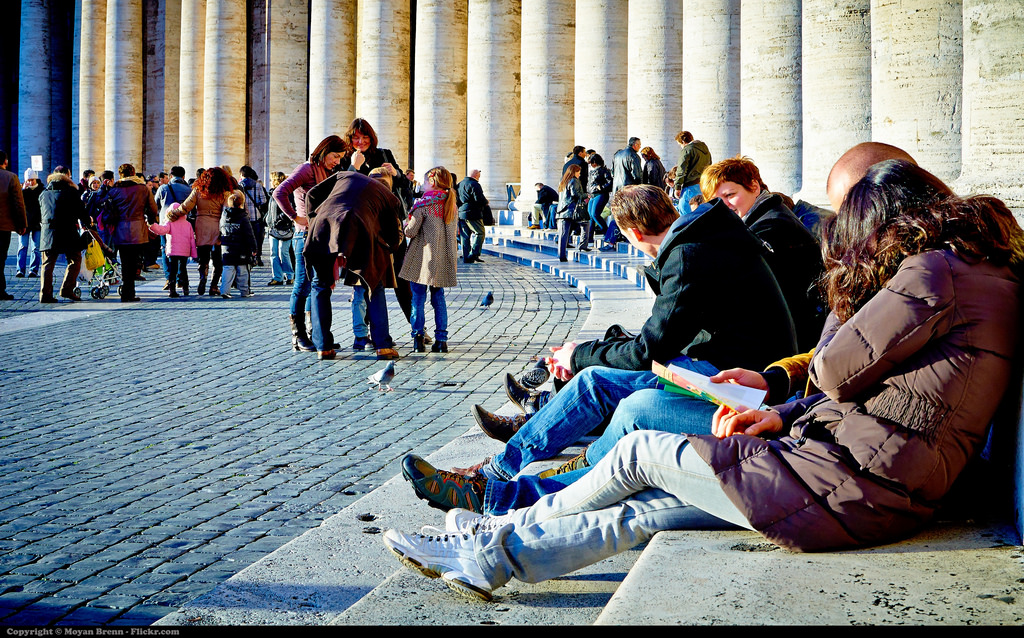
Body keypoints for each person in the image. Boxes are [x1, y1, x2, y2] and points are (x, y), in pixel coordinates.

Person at [382, 158, 1024, 602]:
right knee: (645, 512)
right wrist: (780, 412)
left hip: (848, 489)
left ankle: (492, 522)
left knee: (637, 449)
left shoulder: (934, 274)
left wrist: (847, 297)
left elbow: (834, 366)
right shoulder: (976, 273)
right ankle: (489, 557)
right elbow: (887, 399)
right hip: (863, 484)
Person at [401, 185, 798, 514]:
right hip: (728, 373)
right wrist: (591, 351)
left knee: (623, 402)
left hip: (745, 396)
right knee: (596, 380)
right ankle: (500, 469)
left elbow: (651, 348)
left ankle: (501, 492)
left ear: (632, 233)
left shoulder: (690, 254)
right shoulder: (702, 241)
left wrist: (579, 354)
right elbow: (662, 338)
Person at [700, 156, 826, 351]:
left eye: (730, 195)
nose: (724, 206)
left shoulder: (771, 226)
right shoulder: (767, 216)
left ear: (754, 186)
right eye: (716, 201)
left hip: (790, 343)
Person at [302, 170, 405, 361]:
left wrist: (312, 219)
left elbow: (311, 195)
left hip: (324, 226)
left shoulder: (345, 175)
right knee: (373, 286)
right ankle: (382, 346)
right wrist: (388, 249)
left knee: (320, 285)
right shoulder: (390, 198)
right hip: (360, 230)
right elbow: (393, 238)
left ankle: (323, 347)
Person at [273, 135, 346, 352]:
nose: (337, 161)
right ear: (324, 151)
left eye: (340, 157)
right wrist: (296, 217)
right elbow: (280, 192)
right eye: (335, 156)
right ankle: (298, 335)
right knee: (303, 285)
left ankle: (319, 334)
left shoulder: (329, 172)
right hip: (304, 235)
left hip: (323, 236)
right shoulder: (307, 169)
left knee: (320, 287)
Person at [340, 118, 415, 327]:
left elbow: (404, 185)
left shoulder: (383, 154)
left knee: (402, 276)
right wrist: (354, 166)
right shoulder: (346, 158)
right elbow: (341, 188)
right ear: (350, 139)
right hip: (363, 226)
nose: (361, 141)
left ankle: (416, 326)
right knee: (367, 279)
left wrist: (396, 173)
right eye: (356, 138)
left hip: (391, 223)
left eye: (365, 137)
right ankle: (368, 332)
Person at [399, 166, 459, 354]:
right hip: (443, 259)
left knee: (417, 298)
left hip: (422, 260)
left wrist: (404, 224)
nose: (423, 185)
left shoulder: (424, 204)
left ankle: (417, 339)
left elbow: (410, 231)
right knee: (438, 299)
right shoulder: (451, 204)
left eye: (425, 181)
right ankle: (441, 340)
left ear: (432, 182)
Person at [106, 163, 159, 302]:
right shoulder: (143, 188)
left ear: (120, 175)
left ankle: (126, 292)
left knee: (125, 261)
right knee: (135, 261)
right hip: (138, 229)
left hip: (120, 229)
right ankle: (130, 292)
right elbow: (153, 209)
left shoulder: (115, 190)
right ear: (134, 173)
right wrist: (151, 221)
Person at [181, 166, 235, 299]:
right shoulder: (225, 193)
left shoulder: (198, 190)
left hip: (202, 224)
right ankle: (214, 286)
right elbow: (228, 212)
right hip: (217, 225)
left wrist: (173, 214)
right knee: (217, 259)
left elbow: (186, 206)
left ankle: (202, 277)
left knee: (203, 257)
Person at [37, 166, 88, 303]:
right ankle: (66, 289)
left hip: (48, 232)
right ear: (67, 175)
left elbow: (39, 214)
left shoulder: (44, 193)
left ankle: (45, 294)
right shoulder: (71, 191)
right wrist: (88, 223)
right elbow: (81, 212)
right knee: (75, 259)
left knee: (47, 264)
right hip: (68, 231)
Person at [155, 166, 193, 292]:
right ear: (183, 177)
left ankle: (168, 278)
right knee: (182, 253)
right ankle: (181, 279)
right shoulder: (188, 189)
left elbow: (155, 206)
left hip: (166, 224)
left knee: (166, 250)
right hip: (183, 224)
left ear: (171, 176)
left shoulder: (163, 188)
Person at [147, 202, 197, 297]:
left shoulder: (169, 223)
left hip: (173, 251)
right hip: (184, 251)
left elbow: (161, 230)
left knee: (173, 270)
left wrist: (152, 225)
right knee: (183, 269)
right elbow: (192, 239)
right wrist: (193, 253)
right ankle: (185, 288)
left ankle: (172, 290)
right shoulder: (188, 224)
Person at [219, 192, 258, 299]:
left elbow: (221, 230)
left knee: (228, 269)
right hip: (241, 249)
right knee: (243, 271)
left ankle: (224, 290)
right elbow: (249, 235)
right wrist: (254, 248)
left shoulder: (224, 216)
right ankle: (245, 291)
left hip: (227, 248)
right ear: (242, 204)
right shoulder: (243, 217)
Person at [0, 151, 27, 301]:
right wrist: (22, 225)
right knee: (0, 258)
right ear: (5, 162)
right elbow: (18, 204)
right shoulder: (11, 177)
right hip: (3, 227)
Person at [265, 171, 295, 286]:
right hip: (273, 227)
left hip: (284, 227)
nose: (271, 182)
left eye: (272, 180)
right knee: (273, 253)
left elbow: (289, 208)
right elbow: (270, 209)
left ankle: (290, 275)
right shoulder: (272, 193)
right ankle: (277, 277)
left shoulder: (287, 193)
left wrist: (278, 219)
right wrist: (267, 218)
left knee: (284, 252)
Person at [673, 131, 712, 212]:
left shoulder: (687, 149)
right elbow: (710, 165)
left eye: (680, 144)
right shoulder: (705, 149)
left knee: (685, 213)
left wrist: (677, 186)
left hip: (690, 186)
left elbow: (681, 169)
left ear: (683, 142)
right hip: (702, 185)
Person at [239, 165, 269, 267]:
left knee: (246, 239)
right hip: (257, 217)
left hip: (244, 218)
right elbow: (264, 201)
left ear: (242, 174)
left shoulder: (239, 186)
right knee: (258, 239)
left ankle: (248, 257)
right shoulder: (258, 186)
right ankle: (258, 257)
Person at [581, 154, 612, 252]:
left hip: (601, 194)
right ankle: (589, 238)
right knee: (590, 216)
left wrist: (601, 187)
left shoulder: (604, 170)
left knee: (595, 214)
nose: (591, 165)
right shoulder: (591, 171)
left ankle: (607, 233)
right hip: (592, 195)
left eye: (592, 163)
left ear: (595, 162)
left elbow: (610, 182)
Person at [457, 169, 488, 264]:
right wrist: (486, 202)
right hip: (473, 213)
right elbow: (479, 198)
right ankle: (474, 253)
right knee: (480, 232)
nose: (479, 177)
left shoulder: (460, 184)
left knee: (465, 236)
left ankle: (466, 257)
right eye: (478, 176)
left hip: (462, 212)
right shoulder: (475, 184)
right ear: (475, 175)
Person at [555, 164, 584, 261]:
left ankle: (561, 255)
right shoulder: (573, 181)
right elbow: (575, 194)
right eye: (578, 172)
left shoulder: (563, 181)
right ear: (574, 172)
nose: (579, 174)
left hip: (562, 210)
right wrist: (585, 195)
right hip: (569, 210)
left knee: (563, 234)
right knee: (585, 224)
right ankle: (562, 256)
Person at [17, 169, 43, 278]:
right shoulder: (22, 191)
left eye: (32, 180)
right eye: (28, 180)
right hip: (24, 222)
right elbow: (18, 203)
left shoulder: (41, 190)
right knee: (22, 246)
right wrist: (23, 190)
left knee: (36, 248)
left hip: (37, 222)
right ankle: (20, 270)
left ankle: (33, 270)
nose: (30, 182)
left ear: (36, 179)